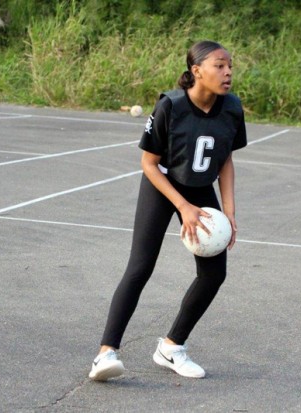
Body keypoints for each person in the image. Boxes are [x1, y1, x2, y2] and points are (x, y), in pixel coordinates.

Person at [89, 40, 247, 381]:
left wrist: (230, 212)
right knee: (140, 267)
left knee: (214, 273)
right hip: (162, 184)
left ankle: (172, 347)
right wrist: (182, 205)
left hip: (200, 187)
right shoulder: (170, 106)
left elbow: (226, 161)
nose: (228, 72)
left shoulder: (232, 108)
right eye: (219, 65)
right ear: (197, 71)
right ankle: (105, 354)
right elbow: (148, 163)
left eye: (230, 66)